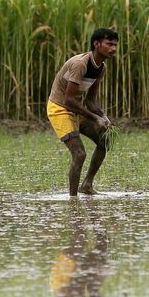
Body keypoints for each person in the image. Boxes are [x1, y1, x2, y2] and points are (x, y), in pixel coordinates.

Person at [46, 28, 118, 196]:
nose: (113, 48)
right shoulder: (80, 64)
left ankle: (87, 185)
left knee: (103, 142)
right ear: (96, 44)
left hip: (76, 108)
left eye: (115, 45)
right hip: (59, 109)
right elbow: (68, 100)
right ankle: (73, 199)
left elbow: (90, 100)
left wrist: (103, 116)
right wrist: (94, 118)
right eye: (109, 44)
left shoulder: (101, 68)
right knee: (79, 154)